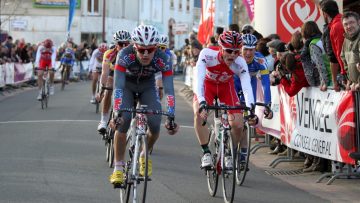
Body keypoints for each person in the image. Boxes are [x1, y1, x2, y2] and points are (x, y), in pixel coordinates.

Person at [109, 25, 179, 186]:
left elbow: (169, 90)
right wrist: (116, 112)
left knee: (155, 124)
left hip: (148, 86)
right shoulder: (124, 55)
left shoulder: (163, 58)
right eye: (141, 50)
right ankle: (118, 168)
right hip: (127, 86)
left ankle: (143, 154)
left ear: (156, 47)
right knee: (123, 121)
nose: (146, 54)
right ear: (134, 47)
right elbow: (118, 87)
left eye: (150, 49)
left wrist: (171, 115)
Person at [193, 31, 257, 169]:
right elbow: (199, 80)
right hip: (207, 86)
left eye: (236, 52)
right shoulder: (207, 54)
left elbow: (246, 86)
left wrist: (251, 108)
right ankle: (206, 153)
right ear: (221, 48)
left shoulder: (240, 62)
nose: (233, 55)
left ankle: (229, 152)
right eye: (229, 51)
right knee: (198, 114)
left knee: (238, 124)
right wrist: (202, 102)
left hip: (226, 88)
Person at [97, 30, 131, 133]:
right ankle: (103, 120)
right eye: (121, 44)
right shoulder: (109, 54)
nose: (124, 46)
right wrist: (102, 88)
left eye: (127, 44)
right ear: (116, 44)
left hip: (128, 74)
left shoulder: (133, 53)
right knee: (108, 89)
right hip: (113, 73)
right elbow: (104, 73)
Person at [234, 34, 272, 115]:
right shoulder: (235, 57)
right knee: (233, 108)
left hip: (251, 82)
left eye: (251, 50)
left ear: (255, 50)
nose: (248, 53)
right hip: (235, 81)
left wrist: (267, 104)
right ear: (241, 49)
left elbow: (266, 84)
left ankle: (247, 122)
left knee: (251, 109)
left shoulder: (260, 60)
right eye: (246, 49)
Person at [320, 0, 346, 90]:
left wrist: (335, 81)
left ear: (325, 14)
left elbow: (336, 56)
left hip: (347, 72)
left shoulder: (336, 26)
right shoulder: (342, 21)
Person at [301, 21, 332, 91]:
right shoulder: (322, 39)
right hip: (333, 75)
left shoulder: (313, 44)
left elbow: (320, 65)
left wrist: (324, 83)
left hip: (329, 80)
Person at [341, 11, 360, 91]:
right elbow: (345, 60)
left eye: (351, 22)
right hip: (354, 87)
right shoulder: (346, 40)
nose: (348, 26)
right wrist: (349, 80)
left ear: (358, 22)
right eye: (345, 24)